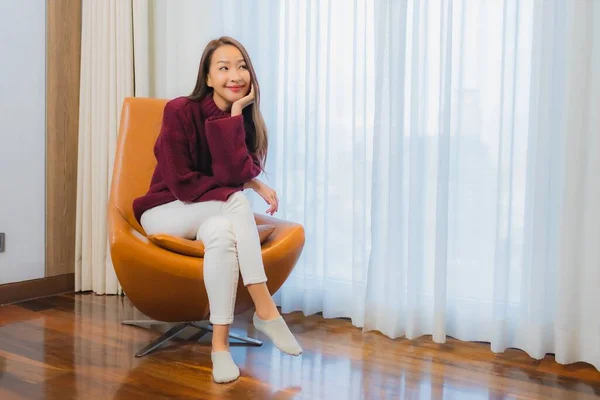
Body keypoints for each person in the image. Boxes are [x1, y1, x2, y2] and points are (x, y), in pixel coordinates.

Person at [132, 36, 302, 383]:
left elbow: (229, 174)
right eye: (223, 68)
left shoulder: (242, 121)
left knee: (224, 234)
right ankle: (264, 307)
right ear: (207, 78)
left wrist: (236, 116)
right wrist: (248, 186)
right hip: (164, 211)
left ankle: (220, 348)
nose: (235, 75)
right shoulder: (179, 111)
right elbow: (182, 183)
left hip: (206, 215)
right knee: (235, 201)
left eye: (241, 67)